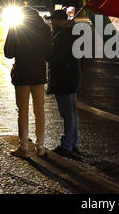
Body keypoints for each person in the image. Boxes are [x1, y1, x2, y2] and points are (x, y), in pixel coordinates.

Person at [4, 5, 52, 158]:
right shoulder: (45, 29)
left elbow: (8, 53)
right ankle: (41, 147)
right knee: (40, 111)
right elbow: (49, 53)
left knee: (22, 111)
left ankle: (23, 146)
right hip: (38, 74)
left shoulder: (16, 28)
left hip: (22, 74)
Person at [48, 10, 81, 157]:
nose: (52, 23)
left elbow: (56, 57)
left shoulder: (64, 35)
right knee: (71, 112)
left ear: (59, 20)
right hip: (71, 76)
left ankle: (67, 145)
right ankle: (73, 142)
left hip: (64, 78)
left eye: (53, 20)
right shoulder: (72, 32)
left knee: (67, 113)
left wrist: (47, 55)